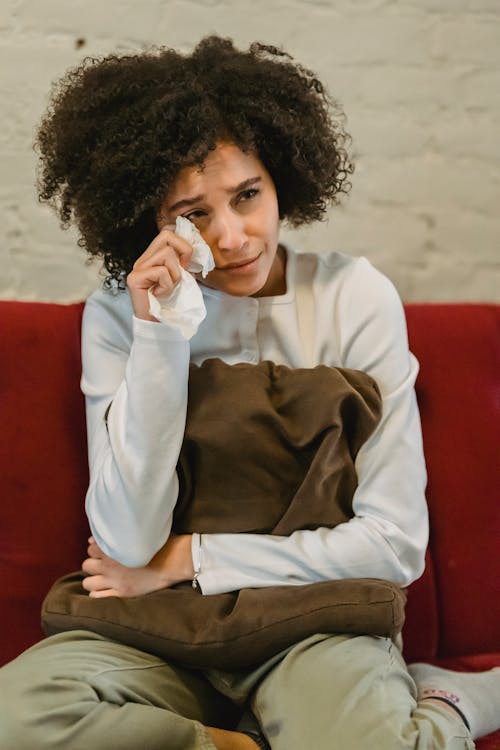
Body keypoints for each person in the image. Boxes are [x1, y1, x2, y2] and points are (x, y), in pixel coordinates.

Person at [0, 35, 498, 750]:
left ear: (282, 176)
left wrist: (190, 559)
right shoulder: (120, 313)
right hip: (161, 631)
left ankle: (452, 702)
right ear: (149, 218)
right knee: (14, 717)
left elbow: (394, 545)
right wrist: (161, 338)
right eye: (193, 213)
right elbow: (127, 539)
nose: (232, 237)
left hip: (317, 626)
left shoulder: (353, 296)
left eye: (247, 196)